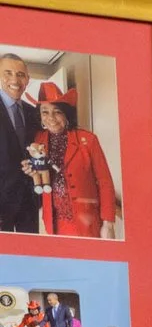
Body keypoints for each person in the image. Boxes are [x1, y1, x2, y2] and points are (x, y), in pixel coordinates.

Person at [26, 86, 115, 238]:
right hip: (53, 222)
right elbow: (39, 173)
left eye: (57, 112)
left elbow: (105, 181)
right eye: (45, 112)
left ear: (66, 114)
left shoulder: (88, 140)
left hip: (85, 220)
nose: (51, 118)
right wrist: (30, 171)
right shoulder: (38, 139)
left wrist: (108, 223)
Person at [0, 53, 39, 232]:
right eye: (8, 73)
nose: (15, 79)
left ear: (28, 79)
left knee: (30, 256)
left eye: (20, 74)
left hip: (29, 203)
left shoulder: (35, 113)